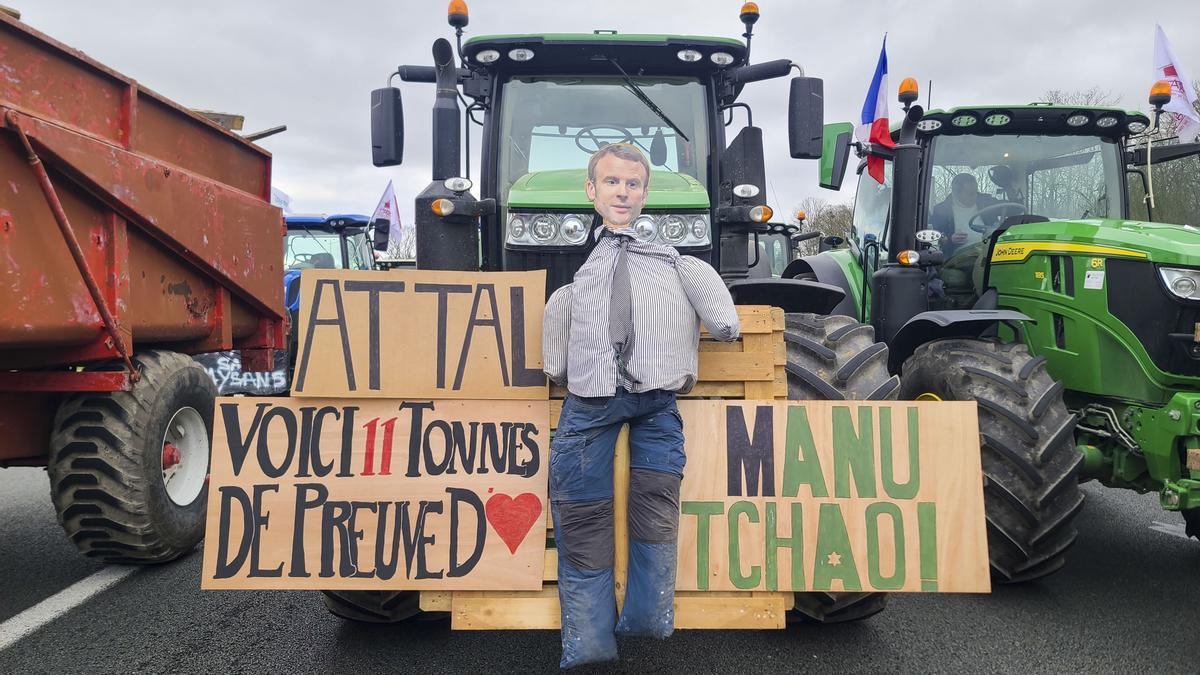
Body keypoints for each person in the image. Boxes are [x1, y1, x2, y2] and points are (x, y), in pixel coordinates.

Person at [542, 143, 739, 668]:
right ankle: (588, 641)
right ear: (592, 190)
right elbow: (557, 353)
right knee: (582, 515)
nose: (622, 192)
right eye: (611, 183)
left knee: (657, 507)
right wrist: (559, 367)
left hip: (656, 399)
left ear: (645, 193)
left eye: (632, 184)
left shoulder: (676, 264)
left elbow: (724, 324)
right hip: (591, 400)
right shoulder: (580, 279)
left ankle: (650, 618)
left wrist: (716, 319)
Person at [929, 173, 998, 256]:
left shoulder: (987, 202)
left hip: (990, 251)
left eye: (976, 192)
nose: (975, 196)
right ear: (956, 193)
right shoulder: (940, 211)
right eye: (971, 194)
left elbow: (1008, 209)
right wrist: (950, 239)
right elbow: (935, 237)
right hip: (961, 258)